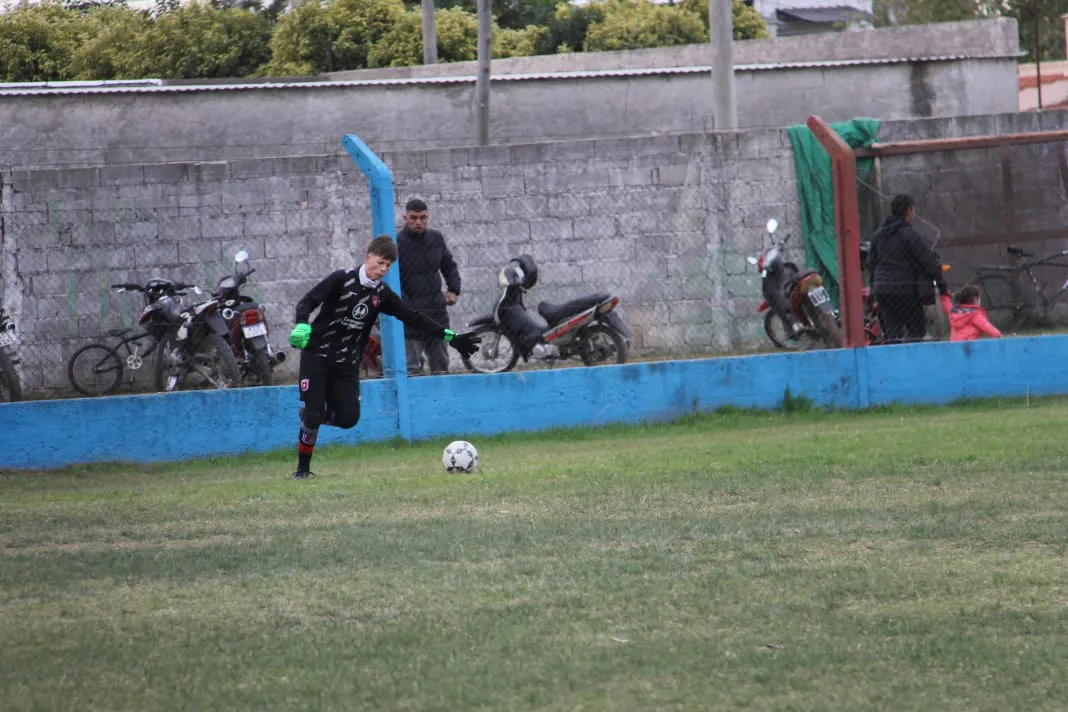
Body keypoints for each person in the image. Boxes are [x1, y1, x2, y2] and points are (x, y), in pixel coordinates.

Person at [287, 235, 479, 480]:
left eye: (388, 265)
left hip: (346, 363)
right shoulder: (341, 279)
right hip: (317, 356)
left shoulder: (381, 294)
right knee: (314, 413)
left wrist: (448, 335)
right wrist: (302, 325)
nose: (383, 269)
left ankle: (310, 417)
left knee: (348, 419)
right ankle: (302, 470)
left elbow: (412, 316)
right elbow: (307, 301)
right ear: (368, 257)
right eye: (380, 262)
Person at [865, 194, 948, 343]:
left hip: (883, 291)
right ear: (909, 211)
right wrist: (943, 288)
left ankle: (894, 360)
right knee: (916, 332)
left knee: (892, 334)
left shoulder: (878, 235)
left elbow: (871, 264)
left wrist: (873, 292)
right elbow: (929, 263)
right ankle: (914, 362)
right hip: (906, 291)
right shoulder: (910, 235)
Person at [396, 198, 462, 375]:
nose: (418, 222)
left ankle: (442, 401)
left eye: (423, 218)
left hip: (436, 313)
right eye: (414, 218)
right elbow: (391, 279)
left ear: (428, 218)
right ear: (405, 218)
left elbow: (449, 266)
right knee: (411, 369)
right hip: (410, 317)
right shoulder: (396, 244)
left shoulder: (436, 239)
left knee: (441, 366)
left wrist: (453, 290)